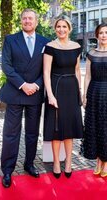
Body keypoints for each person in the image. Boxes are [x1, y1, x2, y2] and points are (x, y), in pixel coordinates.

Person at [0, 8, 49, 188]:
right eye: (24, 18)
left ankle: (29, 164)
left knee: (32, 133)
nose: (27, 21)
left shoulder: (45, 42)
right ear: (21, 21)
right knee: (11, 134)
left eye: (30, 18)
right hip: (15, 92)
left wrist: (36, 85)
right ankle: (8, 170)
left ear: (36, 22)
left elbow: (47, 69)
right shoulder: (11, 40)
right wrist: (23, 85)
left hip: (35, 93)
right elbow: (6, 65)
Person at [43, 15, 83, 179]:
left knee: (69, 128)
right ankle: (57, 163)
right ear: (55, 29)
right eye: (58, 27)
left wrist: (79, 91)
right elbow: (46, 72)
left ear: (69, 29)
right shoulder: (50, 46)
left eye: (64, 27)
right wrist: (50, 95)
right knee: (55, 128)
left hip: (71, 90)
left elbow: (77, 70)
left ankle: (68, 162)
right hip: (56, 89)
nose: (61, 29)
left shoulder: (76, 46)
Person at [82, 23, 107, 177]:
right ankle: (98, 160)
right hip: (94, 92)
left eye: (106, 32)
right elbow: (88, 76)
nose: (104, 35)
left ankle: (106, 162)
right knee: (96, 126)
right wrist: (85, 95)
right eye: (101, 33)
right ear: (97, 35)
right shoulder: (91, 53)